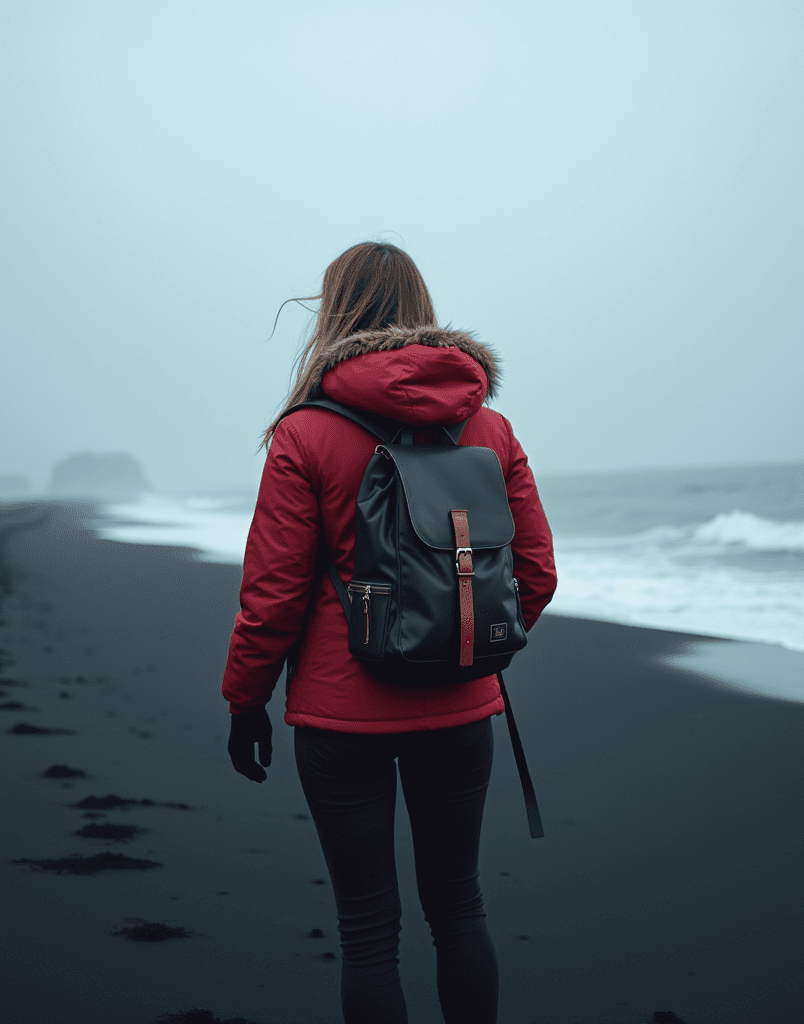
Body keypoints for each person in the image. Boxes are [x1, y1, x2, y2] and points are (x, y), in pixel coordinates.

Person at [222, 242, 557, 1024]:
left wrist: (246, 703)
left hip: (343, 715)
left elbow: (272, 598)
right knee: (460, 910)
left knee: (369, 932)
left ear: (336, 314)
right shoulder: (491, 428)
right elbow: (534, 574)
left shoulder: (306, 433)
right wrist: (462, 643)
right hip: (464, 706)